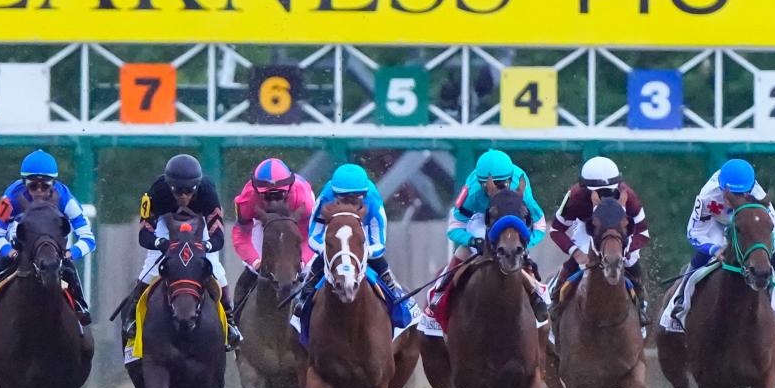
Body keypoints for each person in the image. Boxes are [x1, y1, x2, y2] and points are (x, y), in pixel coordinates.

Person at [123, 154, 240, 349]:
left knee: (217, 269)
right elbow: (144, 236)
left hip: (198, 223)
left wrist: (206, 247)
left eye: (188, 191)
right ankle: (133, 316)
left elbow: (218, 237)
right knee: (150, 267)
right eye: (177, 191)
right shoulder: (157, 192)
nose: (183, 196)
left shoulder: (208, 193)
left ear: (197, 187)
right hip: (165, 221)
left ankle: (229, 321)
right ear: (169, 186)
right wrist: (162, 244)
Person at [663, 159, 775, 333]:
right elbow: (694, 232)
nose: (734, 199)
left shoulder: (761, 201)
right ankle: (678, 305)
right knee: (700, 260)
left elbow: (771, 235)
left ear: (750, 190)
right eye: (730, 193)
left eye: (741, 194)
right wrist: (714, 249)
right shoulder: (707, 196)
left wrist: (759, 255)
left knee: (761, 261)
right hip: (716, 225)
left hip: (748, 228)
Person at [0, 149, 94, 325]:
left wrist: (70, 254)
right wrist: (10, 252)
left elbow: (88, 238)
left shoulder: (65, 198)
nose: (39, 191)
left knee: (69, 268)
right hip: (21, 247)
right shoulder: (11, 197)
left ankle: (80, 306)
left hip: (54, 252)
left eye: (45, 186)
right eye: (33, 186)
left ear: (53, 183)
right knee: (1, 263)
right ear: (24, 183)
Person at [432, 149, 548, 323]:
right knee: (465, 249)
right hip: (480, 217)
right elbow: (454, 227)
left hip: (511, 218)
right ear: (482, 183)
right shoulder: (472, 192)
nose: (496, 190)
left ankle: (536, 292)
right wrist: (471, 241)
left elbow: (539, 225)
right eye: (490, 186)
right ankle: (440, 291)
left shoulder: (520, 185)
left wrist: (524, 244)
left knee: (514, 249)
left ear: (510, 180)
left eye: (502, 185)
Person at [293, 162, 412, 317]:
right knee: (317, 264)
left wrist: (361, 251)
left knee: (380, 264)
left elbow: (379, 243)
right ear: (335, 195)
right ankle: (304, 296)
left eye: (355, 200)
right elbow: (314, 236)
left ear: (364, 195)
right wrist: (328, 250)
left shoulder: (373, 200)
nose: (349, 205)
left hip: (361, 237)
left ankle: (396, 296)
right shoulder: (325, 197)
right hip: (335, 241)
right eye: (343, 200)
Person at [548, 156, 652, 325]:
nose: (604, 197)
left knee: (631, 260)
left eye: (609, 192)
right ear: (584, 189)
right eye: (598, 192)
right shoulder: (575, 197)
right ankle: (556, 299)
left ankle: (641, 303)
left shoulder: (630, 197)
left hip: (619, 232)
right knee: (581, 260)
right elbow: (556, 230)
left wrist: (624, 250)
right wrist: (576, 253)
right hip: (589, 227)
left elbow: (643, 234)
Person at [230, 158, 316, 308]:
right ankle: (235, 318)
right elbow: (241, 234)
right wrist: (255, 261)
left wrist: (301, 260)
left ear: (289, 189)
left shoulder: (303, 199)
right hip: (262, 222)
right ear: (256, 190)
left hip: (296, 221)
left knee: (307, 270)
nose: (273, 202)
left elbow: (309, 236)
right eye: (267, 196)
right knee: (252, 272)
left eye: (279, 195)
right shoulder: (247, 199)